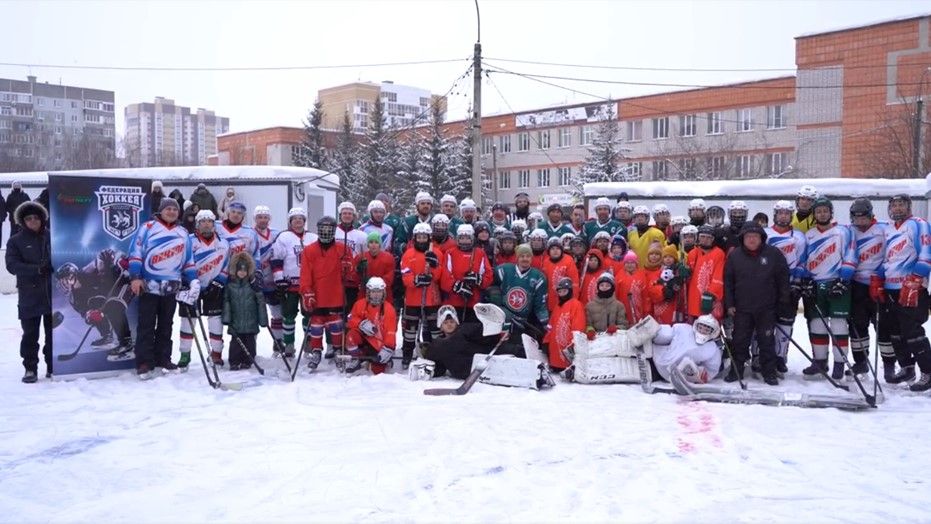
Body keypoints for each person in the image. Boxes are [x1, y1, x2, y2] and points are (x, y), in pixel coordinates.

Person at [127, 198, 196, 379]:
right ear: (161, 210)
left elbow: (188, 260)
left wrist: (193, 280)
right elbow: (135, 253)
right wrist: (135, 277)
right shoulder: (148, 227)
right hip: (149, 285)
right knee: (146, 325)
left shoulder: (183, 232)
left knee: (166, 325)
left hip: (171, 287)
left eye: (175, 209)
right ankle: (144, 361)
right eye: (168, 209)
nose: (172, 212)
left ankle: (163, 358)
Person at [724, 223, 792, 385]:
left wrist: (783, 301)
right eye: (748, 237)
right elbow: (728, 282)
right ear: (743, 238)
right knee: (740, 341)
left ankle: (769, 372)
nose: (752, 239)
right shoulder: (735, 256)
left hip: (766, 308)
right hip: (742, 308)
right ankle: (736, 370)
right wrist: (730, 304)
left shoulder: (773, 254)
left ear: (762, 238)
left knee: (766, 342)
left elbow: (783, 279)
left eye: (755, 236)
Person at [875, 194, 931, 390]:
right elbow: (889, 259)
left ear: (909, 207)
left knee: (912, 332)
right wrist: (878, 278)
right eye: (895, 205)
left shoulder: (919, 224)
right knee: (895, 332)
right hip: (891, 289)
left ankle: (928, 372)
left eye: (901, 205)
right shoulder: (889, 229)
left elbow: (926, 254)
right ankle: (907, 368)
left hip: (911, 289)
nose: (898, 208)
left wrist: (916, 278)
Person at [799, 197, 857, 380]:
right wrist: (805, 280)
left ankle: (839, 363)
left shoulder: (843, 231)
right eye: (818, 211)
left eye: (825, 210)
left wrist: (844, 280)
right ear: (814, 214)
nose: (822, 214)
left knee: (839, 325)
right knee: (817, 324)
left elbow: (851, 255)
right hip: (816, 285)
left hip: (837, 283)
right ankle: (820, 361)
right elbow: (803, 260)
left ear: (831, 212)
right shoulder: (809, 235)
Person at [55, 249, 135, 361]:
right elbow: (84, 312)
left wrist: (120, 259)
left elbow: (105, 254)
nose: (62, 284)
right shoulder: (74, 298)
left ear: (71, 276)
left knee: (114, 305)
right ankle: (107, 336)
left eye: (64, 280)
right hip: (107, 293)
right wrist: (90, 315)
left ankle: (127, 343)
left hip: (124, 281)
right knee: (94, 309)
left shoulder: (88, 271)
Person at [300, 216, 356, 371]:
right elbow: (305, 275)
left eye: (329, 229)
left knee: (336, 325)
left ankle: (338, 350)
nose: (325, 232)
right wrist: (307, 292)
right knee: (316, 325)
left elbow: (351, 273)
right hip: (317, 294)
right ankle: (316, 350)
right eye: (323, 230)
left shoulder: (343, 248)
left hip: (335, 293)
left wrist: (348, 266)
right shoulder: (309, 250)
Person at [176, 210, 230, 368]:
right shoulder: (188, 241)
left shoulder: (223, 243)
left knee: (215, 321)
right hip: (191, 286)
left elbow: (227, 265)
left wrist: (219, 281)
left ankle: (216, 353)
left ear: (214, 224)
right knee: (188, 321)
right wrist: (186, 281)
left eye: (210, 221)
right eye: (203, 221)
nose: (207, 224)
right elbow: (181, 262)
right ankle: (184, 354)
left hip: (214, 286)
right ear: (197, 224)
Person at [6, 201, 53, 383]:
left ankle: (52, 365)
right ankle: (30, 368)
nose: (33, 221)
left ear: (42, 219)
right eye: (29, 218)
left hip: (51, 295)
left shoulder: (52, 237)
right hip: (29, 296)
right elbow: (12, 265)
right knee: (30, 335)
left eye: (36, 217)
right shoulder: (15, 241)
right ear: (23, 221)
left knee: (53, 334)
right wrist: (36, 269)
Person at [844, 198, 890, 377]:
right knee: (857, 326)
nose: (860, 221)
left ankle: (888, 365)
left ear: (871, 215)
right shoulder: (849, 231)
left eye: (863, 217)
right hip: (857, 286)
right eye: (856, 218)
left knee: (883, 327)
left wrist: (880, 275)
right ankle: (861, 362)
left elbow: (891, 255)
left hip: (879, 285)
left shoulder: (884, 229)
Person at [765, 200, 807, 375]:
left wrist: (797, 282)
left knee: (785, 324)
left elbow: (802, 261)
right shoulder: (765, 234)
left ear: (791, 215)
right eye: (780, 213)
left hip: (788, 286)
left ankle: (780, 357)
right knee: (764, 323)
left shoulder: (799, 236)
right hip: (767, 286)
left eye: (786, 213)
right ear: (775, 215)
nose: (783, 216)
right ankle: (762, 357)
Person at [400, 222, 446, 368]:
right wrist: (416, 280)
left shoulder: (437, 253)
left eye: (424, 237)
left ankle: (436, 354)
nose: (421, 239)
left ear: (429, 238)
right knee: (410, 329)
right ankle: (407, 353)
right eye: (419, 237)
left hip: (432, 298)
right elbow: (405, 274)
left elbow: (440, 275)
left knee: (434, 329)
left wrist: (434, 268)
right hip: (413, 298)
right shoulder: (408, 254)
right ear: (415, 238)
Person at [271, 207, 316, 358]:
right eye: (294, 219)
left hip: (308, 284)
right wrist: (279, 279)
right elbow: (276, 259)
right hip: (289, 284)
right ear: (290, 221)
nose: (298, 221)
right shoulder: (284, 237)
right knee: (288, 315)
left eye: (300, 218)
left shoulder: (312, 238)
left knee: (309, 314)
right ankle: (289, 344)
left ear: (304, 221)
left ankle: (308, 342)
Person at [491, 243, 549, 340]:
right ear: (517, 258)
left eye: (528, 256)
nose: (525, 259)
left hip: (521, 322)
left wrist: (545, 323)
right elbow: (490, 285)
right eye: (522, 256)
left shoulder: (539, 277)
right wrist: (494, 295)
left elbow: (540, 306)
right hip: (501, 318)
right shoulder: (504, 270)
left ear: (531, 258)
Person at [223, 252, 268, 371]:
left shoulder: (253, 286)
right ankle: (234, 361)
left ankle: (248, 361)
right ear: (235, 270)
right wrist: (227, 319)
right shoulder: (230, 286)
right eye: (240, 270)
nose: (242, 272)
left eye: (245, 270)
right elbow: (226, 302)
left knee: (250, 343)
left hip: (250, 321)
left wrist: (263, 320)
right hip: (236, 322)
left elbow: (260, 303)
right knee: (235, 344)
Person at [344, 276, 397, 375]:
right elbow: (350, 318)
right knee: (351, 336)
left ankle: (372, 362)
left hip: (379, 343)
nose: (376, 295)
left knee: (377, 370)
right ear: (368, 292)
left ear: (383, 293)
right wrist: (360, 324)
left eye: (379, 292)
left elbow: (391, 332)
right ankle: (356, 358)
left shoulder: (389, 309)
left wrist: (388, 348)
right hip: (364, 338)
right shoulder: (359, 304)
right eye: (373, 292)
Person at [651, 315, 723, 385]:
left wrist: (700, 374)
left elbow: (711, 370)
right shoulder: (683, 329)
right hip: (658, 362)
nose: (702, 331)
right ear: (696, 326)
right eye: (700, 327)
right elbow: (666, 334)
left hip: (682, 376)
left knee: (687, 363)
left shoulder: (712, 349)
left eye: (707, 330)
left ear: (714, 332)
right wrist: (655, 332)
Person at [441, 224, 492, 320]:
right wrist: (457, 286)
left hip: (474, 300)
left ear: (472, 239)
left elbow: (488, 275)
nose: (464, 241)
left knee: (471, 329)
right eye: (462, 238)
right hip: (454, 300)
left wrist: (478, 279)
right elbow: (445, 275)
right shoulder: (450, 253)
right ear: (457, 239)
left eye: (467, 238)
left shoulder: (479, 253)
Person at [252, 205, 284, 350]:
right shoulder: (249, 234)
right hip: (255, 281)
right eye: (260, 217)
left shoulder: (277, 234)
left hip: (273, 281)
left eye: (265, 217)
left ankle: (278, 343)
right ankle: (251, 345)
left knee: (277, 315)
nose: (263, 220)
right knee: (252, 316)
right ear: (255, 218)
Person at [685, 225, 726, 321]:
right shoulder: (692, 253)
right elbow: (688, 277)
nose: (705, 240)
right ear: (698, 238)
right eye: (702, 237)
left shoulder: (719, 253)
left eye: (709, 238)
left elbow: (718, 276)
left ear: (713, 239)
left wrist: (712, 294)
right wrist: (684, 273)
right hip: (693, 297)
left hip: (710, 297)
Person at [546, 277, 586, 370]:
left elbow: (578, 327)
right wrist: (546, 340)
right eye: (560, 292)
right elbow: (550, 326)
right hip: (554, 352)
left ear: (570, 291)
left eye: (564, 291)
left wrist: (574, 343)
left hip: (568, 348)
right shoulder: (557, 306)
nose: (562, 294)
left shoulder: (576, 304)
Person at [215, 201, 260, 283]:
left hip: (239, 276)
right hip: (216, 274)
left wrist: (254, 272)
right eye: (233, 212)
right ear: (228, 213)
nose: (236, 215)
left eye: (239, 213)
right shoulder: (215, 226)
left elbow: (255, 255)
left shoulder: (250, 232)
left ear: (243, 216)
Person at [335, 201, 367, 309]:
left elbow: (364, 255)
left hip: (352, 279)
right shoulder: (333, 232)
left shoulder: (361, 235)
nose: (347, 216)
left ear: (353, 216)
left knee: (349, 308)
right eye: (344, 213)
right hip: (335, 277)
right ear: (340, 215)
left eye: (350, 213)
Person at [542, 236, 580, 313]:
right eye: (552, 249)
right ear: (548, 251)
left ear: (561, 250)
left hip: (566, 299)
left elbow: (574, 282)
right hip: (550, 301)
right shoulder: (546, 262)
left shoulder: (568, 260)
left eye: (558, 248)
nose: (555, 251)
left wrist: (573, 299)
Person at [357, 232, 396, 305]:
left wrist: (374, 284)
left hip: (383, 294)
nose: (373, 245)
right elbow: (356, 278)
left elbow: (389, 278)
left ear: (380, 245)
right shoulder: (360, 257)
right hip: (364, 294)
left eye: (376, 242)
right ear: (368, 244)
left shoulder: (388, 258)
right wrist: (359, 270)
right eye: (371, 242)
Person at [585, 273, 628, 337]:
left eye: (607, 285)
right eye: (601, 285)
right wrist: (590, 331)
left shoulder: (619, 305)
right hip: (596, 341)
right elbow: (588, 325)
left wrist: (616, 328)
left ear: (612, 288)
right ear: (598, 287)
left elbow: (624, 325)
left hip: (614, 339)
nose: (604, 287)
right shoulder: (589, 306)